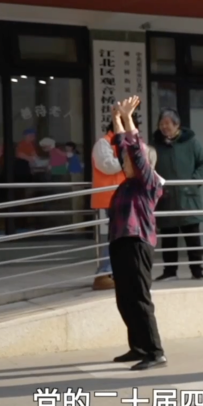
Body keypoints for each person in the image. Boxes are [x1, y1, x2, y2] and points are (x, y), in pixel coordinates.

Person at [107, 96, 167, 371]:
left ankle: (155, 351)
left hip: (137, 242)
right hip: (120, 241)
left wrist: (129, 119)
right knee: (125, 298)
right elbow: (122, 145)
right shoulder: (127, 183)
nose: (124, 161)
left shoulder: (149, 182)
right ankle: (138, 347)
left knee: (140, 298)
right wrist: (116, 118)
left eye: (129, 160)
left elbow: (135, 150)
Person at [153, 108, 203, 281]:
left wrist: (194, 182)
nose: (164, 127)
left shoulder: (190, 142)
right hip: (166, 198)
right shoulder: (155, 144)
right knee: (168, 237)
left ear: (176, 125)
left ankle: (197, 270)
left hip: (188, 197)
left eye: (167, 124)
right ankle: (170, 271)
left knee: (192, 236)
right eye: (161, 124)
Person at [91, 122, 127, 290]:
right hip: (111, 198)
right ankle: (104, 272)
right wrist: (128, 159)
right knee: (116, 235)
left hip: (125, 196)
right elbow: (108, 166)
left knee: (122, 236)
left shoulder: (126, 143)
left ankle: (112, 272)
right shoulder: (103, 143)